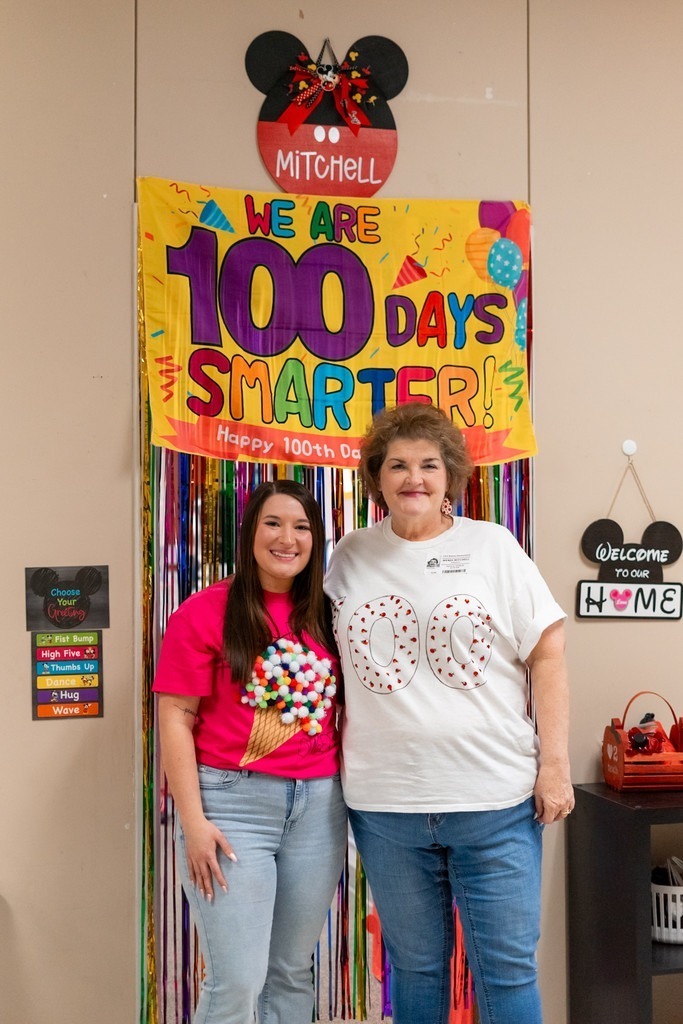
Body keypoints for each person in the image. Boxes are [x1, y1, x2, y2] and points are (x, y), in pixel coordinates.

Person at [324, 403, 572, 1024]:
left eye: (429, 465)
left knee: (508, 971)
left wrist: (556, 765)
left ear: (449, 475)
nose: (414, 478)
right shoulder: (347, 558)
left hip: (495, 801)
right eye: (398, 464)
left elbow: (548, 653)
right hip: (385, 809)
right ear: (377, 475)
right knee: (415, 969)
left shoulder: (493, 547)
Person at [153, 479, 347, 1024]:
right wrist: (192, 822)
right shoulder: (203, 611)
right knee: (238, 978)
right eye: (273, 523)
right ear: (250, 533)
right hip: (231, 807)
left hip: (319, 809)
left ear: (317, 540)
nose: (288, 538)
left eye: (302, 527)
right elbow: (175, 716)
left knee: (290, 971)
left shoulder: (331, 614)